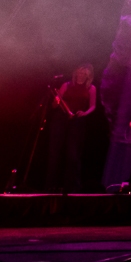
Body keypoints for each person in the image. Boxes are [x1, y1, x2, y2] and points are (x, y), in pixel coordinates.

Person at [47, 63, 97, 192]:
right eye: (79, 72)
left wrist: (84, 113)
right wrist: (56, 102)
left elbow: (93, 106)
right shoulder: (66, 85)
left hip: (77, 120)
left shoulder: (91, 88)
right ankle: (50, 185)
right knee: (54, 152)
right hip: (61, 119)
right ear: (76, 73)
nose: (81, 75)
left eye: (84, 73)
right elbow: (54, 106)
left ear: (88, 75)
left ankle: (72, 187)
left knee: (73, 154)